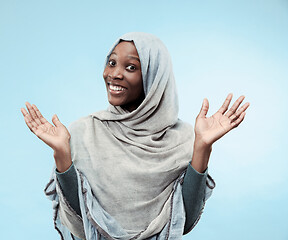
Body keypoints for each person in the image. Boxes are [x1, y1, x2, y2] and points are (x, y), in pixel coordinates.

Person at [21, 32, 249, 240]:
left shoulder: (183, 138)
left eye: (131, 67)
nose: (114, 74)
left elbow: (183, 222)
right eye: (111, 63)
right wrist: (62, 154)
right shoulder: (83, 132)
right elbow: (80, 224)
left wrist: (202, 147)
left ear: (154, 77)